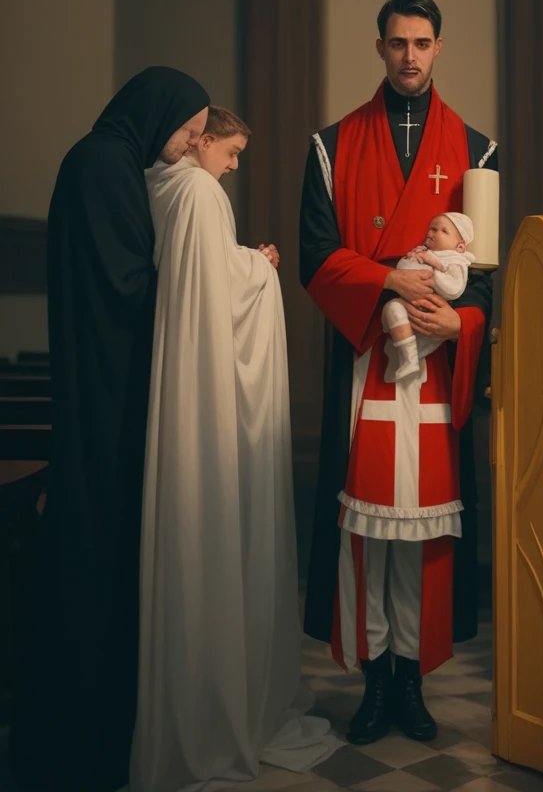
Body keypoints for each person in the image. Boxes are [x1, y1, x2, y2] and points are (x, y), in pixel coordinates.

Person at [299, 0, 497, 746]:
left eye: (422, 42)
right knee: (370, 532)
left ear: (439, 47)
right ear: (379, 47)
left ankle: (411, 679)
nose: (409, 55)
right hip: (365, 362)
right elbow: (315, 253)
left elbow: (485, 271)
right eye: (396, 43)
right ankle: (374, 678)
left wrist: (462, 318)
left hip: (437, 366)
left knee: (423, 534)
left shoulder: (477, 148)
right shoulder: (332, 144)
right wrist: (389, 280)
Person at [11, 67, 210, 792]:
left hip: (106, 385)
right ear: (154, 112)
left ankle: (100, 733)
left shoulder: (110, 161)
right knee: (95, 559)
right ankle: (81, 745)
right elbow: (126, 286)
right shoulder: (101, 164)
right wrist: (197, 284)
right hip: (105, 397)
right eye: (186, 134)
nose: (187, 149)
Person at [131, 105, 339, 792]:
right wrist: (260, 264)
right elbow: (215, 291)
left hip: (174, 372)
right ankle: (220, 711)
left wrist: (238, 264)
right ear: (206, 139)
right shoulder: (197, 190)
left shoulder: (158, 184)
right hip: (205, 389)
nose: (234, 164)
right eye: (232, 151)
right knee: (217, 524)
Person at [382, 211, 475, 379]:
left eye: (443, 231)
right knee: (392, 308)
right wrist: (410, 260)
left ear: (459, 246)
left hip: (431, 312)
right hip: (410, 303)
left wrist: (434, 266)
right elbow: (401, 268)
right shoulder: (422, 251)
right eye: (432, 228)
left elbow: (453, 289)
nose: (434, 233)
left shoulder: (455, 262)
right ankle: (408, 358)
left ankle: (413, 356)